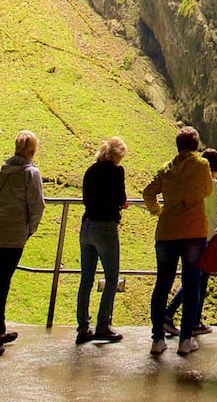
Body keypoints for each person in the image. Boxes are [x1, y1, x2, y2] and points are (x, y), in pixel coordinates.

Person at [0, 131, 45, 359]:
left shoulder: (2, 173)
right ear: (33, 152)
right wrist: (29, 230)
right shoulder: (30, 174)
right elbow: (37, 206)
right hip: (12, 237)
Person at [142, 127, 212, 356]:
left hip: (166, 232)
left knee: (162, 284)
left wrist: (158, 210)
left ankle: (157, 339)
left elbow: (147, 192)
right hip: (193, 231)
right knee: (192, 284)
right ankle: (185, 340)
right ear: (196, 145)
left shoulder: (165, 169)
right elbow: (208, 189)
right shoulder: (202, 165)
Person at [163, 148, 217, 338]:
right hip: (205, 236)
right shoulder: (213, 184)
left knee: (198, 278)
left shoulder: (196, 182)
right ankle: (173, 313)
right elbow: (215, 211)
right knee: (198, 279)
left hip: (193, 233)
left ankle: (191, 319)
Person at [76, 137, 129, 344]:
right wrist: (121, 204)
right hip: (105, 227)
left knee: (86, 280)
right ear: (117, 155)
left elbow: (86, 199)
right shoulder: (116, 171)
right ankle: (102, 325)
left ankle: (82, 328)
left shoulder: (91, 170)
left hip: (87, 225)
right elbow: (120, 198)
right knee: (112, 278)